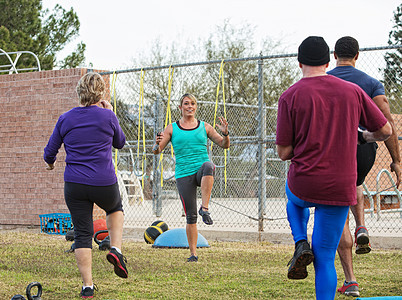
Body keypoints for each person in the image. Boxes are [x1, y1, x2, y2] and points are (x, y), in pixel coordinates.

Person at [276, 36, 392, 300]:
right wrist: (362, 136)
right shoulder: (352, 91)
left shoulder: (290, 96)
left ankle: (299, 241)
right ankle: (308, 250)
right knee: (325, 257)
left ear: (299, 63)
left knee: (293, 200)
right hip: (341, 186)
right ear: (328, 63)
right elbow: (385, 130)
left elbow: (283, 153)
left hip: (304, 182)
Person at [328, 36, 401, 297]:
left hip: (333, 151)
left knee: (337, 210)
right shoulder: (371, 83)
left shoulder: (324, 81)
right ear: (357, 55)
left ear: (334, 54)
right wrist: (396, 159)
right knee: (355, 183)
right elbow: (387, 120)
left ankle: (350, 279)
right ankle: (362, 224)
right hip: (365, 149)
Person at [44, 72, 128, 298]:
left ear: (79, 91)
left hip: (75, 184)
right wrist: (110, 113)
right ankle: (116, 250)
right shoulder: (107, 116)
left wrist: (50, 164)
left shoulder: (65, 118)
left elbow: (49, 152)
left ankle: (87, 287)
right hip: (103, 182)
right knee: (114, 208)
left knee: (82, 234)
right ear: (100, 93)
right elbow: (120, 143)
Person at [152, 93, 230, 262]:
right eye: (186, 103)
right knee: (191, 216)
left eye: (192, 104)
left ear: (196, 107)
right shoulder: (172, 128)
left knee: (209, 165)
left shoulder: (205, 127)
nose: (189, 106)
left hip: (201, 169)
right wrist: (156, 143)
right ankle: (193, 254)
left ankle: (205, 208)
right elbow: (157, 151)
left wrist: (225, 134)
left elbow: (224, 145)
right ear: (180, 108)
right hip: (183, 174)